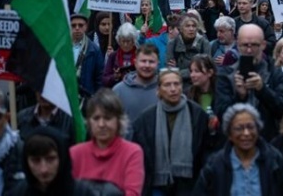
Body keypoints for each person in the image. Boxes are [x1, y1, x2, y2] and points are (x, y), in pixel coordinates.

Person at [132, 68, 209, 196]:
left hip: (190, 185)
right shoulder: (145, 119)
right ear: (158, 90)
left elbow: (205, 152)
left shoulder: (196, 114)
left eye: (176, 84)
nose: (173, 89)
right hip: (157, 185)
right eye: (167, 85)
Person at [214, 24, 283, 141]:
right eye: (245, 45)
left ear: (263, 45)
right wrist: (240, 96)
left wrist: (263, 90)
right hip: (234, 143)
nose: (249, 50)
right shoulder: (225, 75)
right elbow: (221, 114)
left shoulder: (274, 73)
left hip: (268, 143)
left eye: (254, 45)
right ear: (237, 45)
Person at [192, 104, 283, 195]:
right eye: (239, 128)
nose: (246, 133)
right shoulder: (215, 165)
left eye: (251, 127)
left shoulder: (274, 161)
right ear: (229, 134)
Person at [70, 88, 144, 196]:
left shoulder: (132, 152)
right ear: (89, 122)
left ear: (119, 121)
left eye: (107, 118)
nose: (101, 124)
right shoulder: (75, 153)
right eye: (96, 118)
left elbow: (133, 193)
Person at [9, 126, 96, 196]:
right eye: (36, 161)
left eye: (50, 159)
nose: (44, 169)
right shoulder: (17, 193)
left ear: (62, 158)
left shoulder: (83, 193)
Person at [112, 44, 160, 128]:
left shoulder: (165, 90)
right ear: (135, 63)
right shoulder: (118, 91)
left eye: (151, 62)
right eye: (143, 61)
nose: (147, 65)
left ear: (158, 64)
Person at [166, 13, 211, 88]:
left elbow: (205, 69)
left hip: (198, 86)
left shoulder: (204, 43)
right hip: (178, 85)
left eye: (194, 26)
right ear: (181, 28)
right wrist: (196, 69)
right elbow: (171, 71)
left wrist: (178, 71)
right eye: (187, 26)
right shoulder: (172, 44)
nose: (191, 29)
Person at [70, 13, 105, 100]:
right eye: (73, 25)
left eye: (80, 25)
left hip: (86, 98)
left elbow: (99, 78)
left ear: (86, 27)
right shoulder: (61, 48)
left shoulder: (94, 50)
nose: (77, 28)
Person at [102, 22, 139, 88]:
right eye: (123, 41)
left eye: (128, 41)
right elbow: (104, 79)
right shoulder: (113, 56)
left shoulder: (140, 55)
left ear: (133, 41)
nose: (125, 44)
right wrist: (115, 77)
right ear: (118, 41)